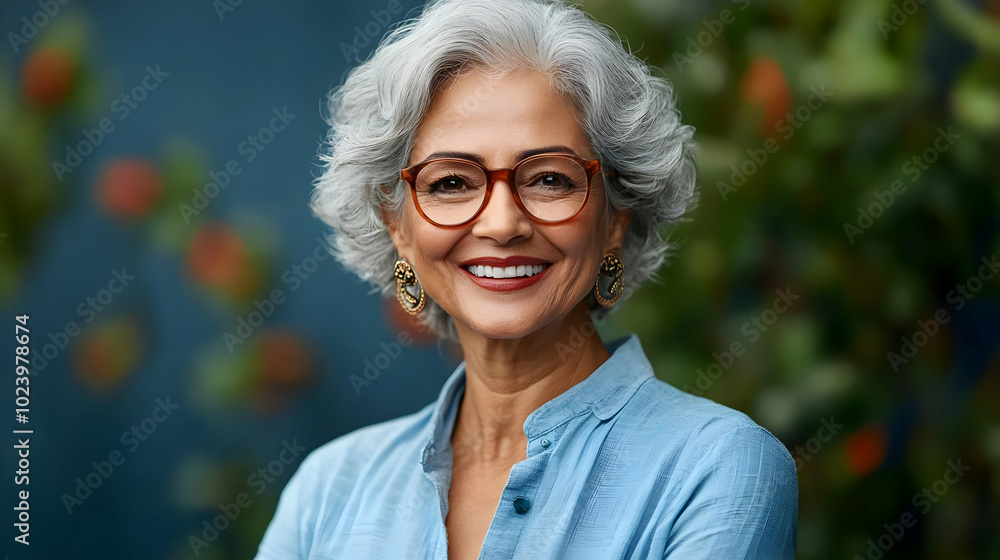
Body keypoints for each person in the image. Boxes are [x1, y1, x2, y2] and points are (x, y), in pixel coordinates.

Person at [255, 0, 798, 558]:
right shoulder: (328, 491)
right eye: (450, 183)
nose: (502, 223)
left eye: (549, 179)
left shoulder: (716, 469)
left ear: (615, 219)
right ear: (398, 226)